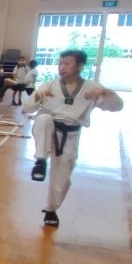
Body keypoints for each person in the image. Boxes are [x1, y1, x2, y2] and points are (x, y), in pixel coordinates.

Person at [25, 49, 123, 227]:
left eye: (67, 63)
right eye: (60, 63)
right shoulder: (49, 85)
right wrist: (38, 95)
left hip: (70, 135)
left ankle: (51, 209)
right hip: (48, 129)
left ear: (80, 66)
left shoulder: (92, 88)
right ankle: (40, 160)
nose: (61, 67)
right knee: (44, 118)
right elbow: (26, 108)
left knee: (62, 179)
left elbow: (117, 107)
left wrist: (104, 92)